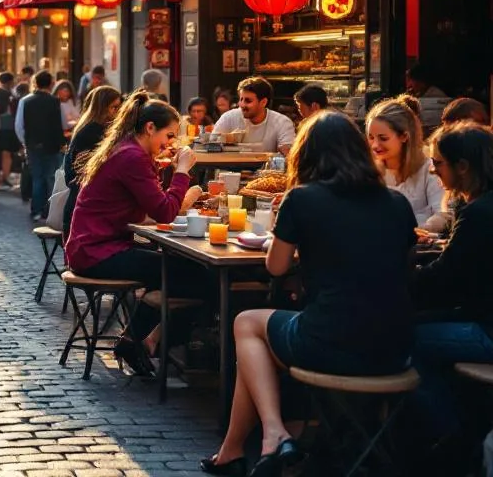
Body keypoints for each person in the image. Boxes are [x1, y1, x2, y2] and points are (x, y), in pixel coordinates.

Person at [201, 111, 416, 476]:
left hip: (330, 343)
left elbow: (276, 267)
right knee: (263, 341)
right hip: (394, 350)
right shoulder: (396, 203)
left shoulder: (302, 199)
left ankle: (274, 433)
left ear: (306, 155)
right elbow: (404, 266)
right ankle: (232, 451)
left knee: (247, 323)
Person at [66, 92, 205, 376]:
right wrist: (181, 172)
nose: (170, 143)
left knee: (181, 270)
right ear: (150, 128)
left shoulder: (127, 149)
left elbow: (149, 208)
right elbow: (165, 212)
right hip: (96, 251)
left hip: (96, 245)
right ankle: (142, 341)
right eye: (168, 135)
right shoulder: (131, 156)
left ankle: (144, 339)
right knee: (197, 276)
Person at [409, 124, 493, 456]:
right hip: (480, 317)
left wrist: (395, 281)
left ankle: (450, 439)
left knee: (402, 338)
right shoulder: (478, 207)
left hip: (487, 332)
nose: (432, 168)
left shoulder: (479, 213)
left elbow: (445, 280)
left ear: (463, 167)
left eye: (439, 163)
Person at [366, 98, 447, 232]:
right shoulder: (368, 171)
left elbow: (444, 213)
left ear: (404, 136)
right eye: (371, 137)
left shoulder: (430, 169)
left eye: (383, 138)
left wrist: (420, 230)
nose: (375, 145)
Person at [62, 86, 123, 241]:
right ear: (101, 107)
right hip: (83, 206)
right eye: (114, 107)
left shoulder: (92, 128)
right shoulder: (92, 131)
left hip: (82, 204)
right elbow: (83, 171)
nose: (117, 112)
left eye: (119, 107)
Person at [16, 70, 65, 223]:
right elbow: (60, 124)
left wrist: (25, 142)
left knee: (37, 178)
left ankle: (36, 210)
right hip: (52, 145)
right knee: (51, 178)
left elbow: (19, 125)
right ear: (51, 84)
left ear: (35, 83)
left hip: (33, 145)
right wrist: (62, 143)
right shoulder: (55, 101)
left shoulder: (25, 101)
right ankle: (50, 211)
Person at [212, 77, 296, 156]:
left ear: (263, 102)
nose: (242, 105)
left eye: (248, 101)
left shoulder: (282, 122)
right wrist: (226, 139)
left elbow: (289, 153)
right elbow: (211, 144)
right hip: (230, 170)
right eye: (241, 99)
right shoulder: (229, 117)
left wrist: (285, 150)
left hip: (266, 170)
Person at [0, 71, 19, 190]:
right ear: (11, 82)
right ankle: (3, 177)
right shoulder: (12, 94)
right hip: (9, 126)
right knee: (7, 153)